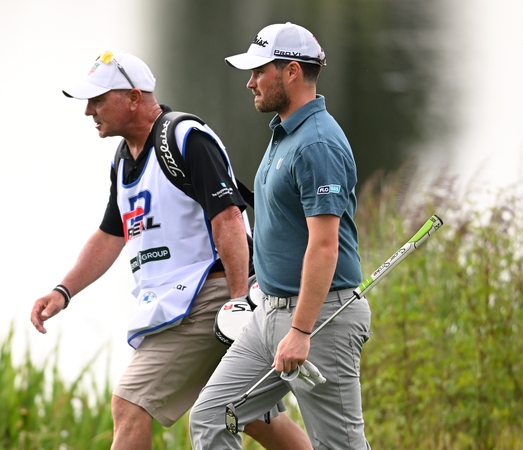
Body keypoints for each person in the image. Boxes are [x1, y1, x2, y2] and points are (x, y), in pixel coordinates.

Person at [29, 50, 311, 450]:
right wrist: (63, 291)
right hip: (176, 303)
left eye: (98, 99)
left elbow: (228, 218)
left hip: (207, 298)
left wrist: (236, 304)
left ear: (133, 97)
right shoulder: (123, 160)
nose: (89, 111)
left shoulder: (184, 137)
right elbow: (111, 235)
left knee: (130, 404)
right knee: (253, 417)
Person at [190, 23, 373, 449]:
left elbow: (325, 245)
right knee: (213, 416)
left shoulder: (318, 143)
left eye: (259, 71)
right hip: (269, 313)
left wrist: (302, 330)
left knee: (339, 445)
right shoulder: (285, 132)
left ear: (291, 71)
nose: (250, 81)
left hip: (320, 318)